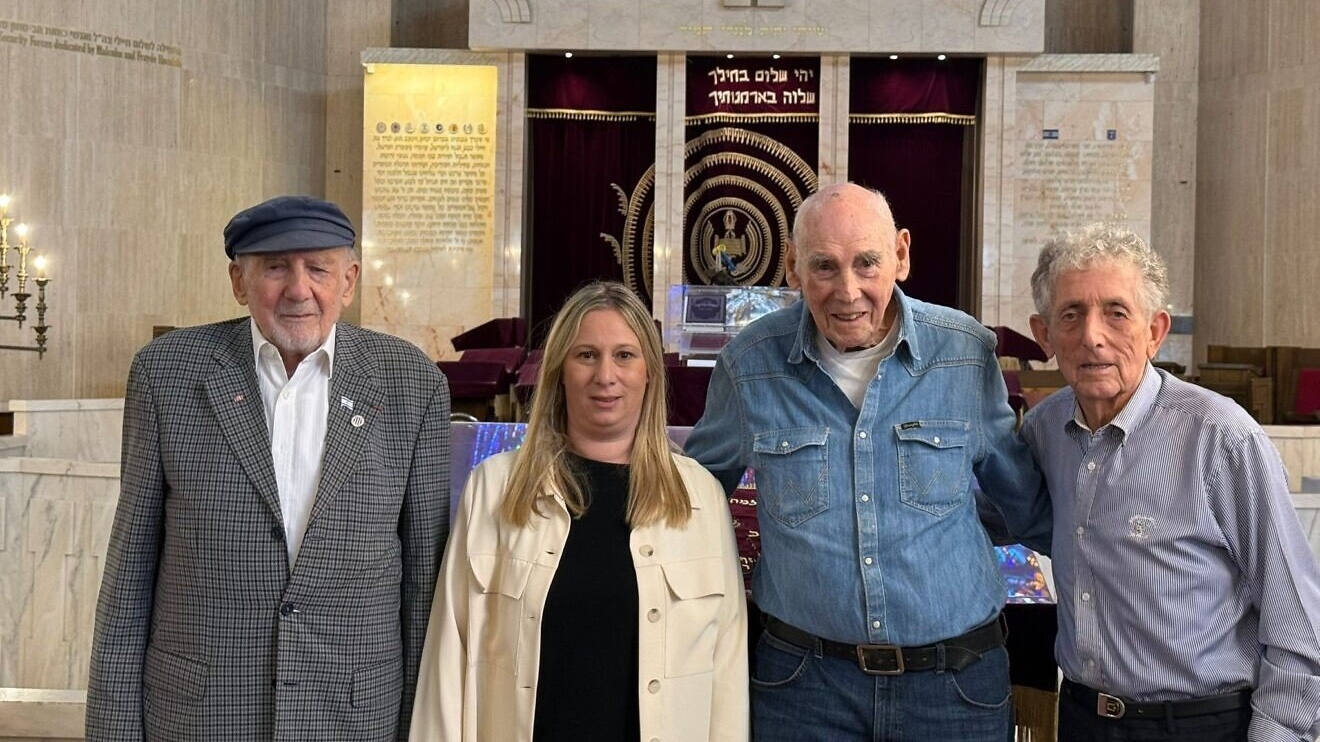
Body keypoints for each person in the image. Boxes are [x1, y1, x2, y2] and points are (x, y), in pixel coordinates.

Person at [685, 182, 1050, 741]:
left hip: (953, 687)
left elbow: (1020, 501)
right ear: (793, 268)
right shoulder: (749, 365)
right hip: (805, 687)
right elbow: (692, 502)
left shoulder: (963, 353)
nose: (847, 290)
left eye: (867, 263)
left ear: (901, 255)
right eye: (824, 267)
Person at [86, 195, 451, 741]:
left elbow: (424, 586)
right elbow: (129, 576)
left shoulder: (411, 384)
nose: (299, 289)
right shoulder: (167, 375)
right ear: (239, 281)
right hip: (200, 717)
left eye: (318, 269)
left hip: (353, 718)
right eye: (276, 267)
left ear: (348, 282)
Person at [410, 281, 748, 741]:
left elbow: (726, 674)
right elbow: (448, 658)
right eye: (586, 355)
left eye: (625, 355)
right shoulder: (494, 489)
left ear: (650, 371)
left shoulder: (699, 497)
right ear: (559, 372)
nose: (605, 376)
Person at [1022, 223, 1320, 741]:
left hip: (1201, 726)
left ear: (1155, 331)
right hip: (1081, 720)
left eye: (1117, 313)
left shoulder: (1221, 436)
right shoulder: (1045, 431)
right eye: (1071, 315)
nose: (1092, 335)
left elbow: (1296, 618)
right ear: (1044, 334)